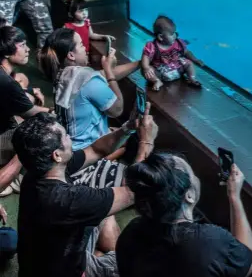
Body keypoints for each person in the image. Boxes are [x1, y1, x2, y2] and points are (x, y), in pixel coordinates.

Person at [12, 105, 158, 277]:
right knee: (136, 263)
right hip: (69, 271)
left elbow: (96, 150)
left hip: (44, 263)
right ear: (57, 155)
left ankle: (100, 256)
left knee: (105, 212)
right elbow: (134, 190)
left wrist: (127, 128)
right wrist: (146, 141)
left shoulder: (38, 172)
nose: (69, 136)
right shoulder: (69, 200)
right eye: (65, 135)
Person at [116, 152, 252, 277]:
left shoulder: (131, 231)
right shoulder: (211, 242)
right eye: (192, 174)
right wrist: (234, 197)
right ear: (189, 195)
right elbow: (247, 260)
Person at [40, 28, 139, 152]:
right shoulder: (87, 78)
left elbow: (98, 76)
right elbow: (117, 110)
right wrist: (108, 70)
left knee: (116, 132)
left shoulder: (62, 74)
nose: (85, 49)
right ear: (71, 55)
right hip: (86, 149)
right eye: (81, 45)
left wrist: (139, 63)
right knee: (130, 141)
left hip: (71, 144)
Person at [0, 26, 50, 195]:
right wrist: (54, 112)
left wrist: (29, 93)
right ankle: (14, 175)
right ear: (7, 52)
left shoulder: (4, 76)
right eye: (22, 45)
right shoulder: (7, 82)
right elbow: (34, 114)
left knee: (25, 88)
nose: (27, 49)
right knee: (40, 128)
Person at [141, 16, 204, 91]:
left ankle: (192, 78)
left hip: (176, 68)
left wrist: (195, 60)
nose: (175, 35)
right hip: (160, 71)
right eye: (172, 34)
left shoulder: (178, 42)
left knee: (189, 63)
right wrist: (146, 68)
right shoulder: (152, 46)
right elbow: (146, 57)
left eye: (175, 32)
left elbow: (186, 52)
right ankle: (157, 81)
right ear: (161, 37)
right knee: (145, 70)